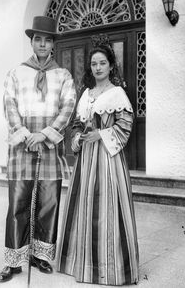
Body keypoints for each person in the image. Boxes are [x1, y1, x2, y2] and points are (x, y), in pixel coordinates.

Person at [0, 16, 76, 283]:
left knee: (48, 201)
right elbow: (9, 105)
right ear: (32, 42)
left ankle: (40, 255)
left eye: (48, 39)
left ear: (53, 43)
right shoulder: (16, 73)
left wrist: (44, 134)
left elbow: (68, 107)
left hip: (49, 146)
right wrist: (25, 134)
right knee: (18, 202)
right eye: (38, 39)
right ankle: (14, 261)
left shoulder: (63, 75)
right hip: (22, 146)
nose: (42, 44)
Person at [57, 44, 139, 286]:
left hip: (107, 161)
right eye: (94, 64)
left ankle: (109, 269)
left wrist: (101, 135)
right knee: (84, 208)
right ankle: (83, 264)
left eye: (102, 63)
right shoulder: (87, 94)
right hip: (86, 160)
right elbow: (77, 124)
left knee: (106, 209)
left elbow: (125, 127)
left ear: (111, 66)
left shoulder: (117, 94)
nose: (98, 67)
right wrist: (78, 136)